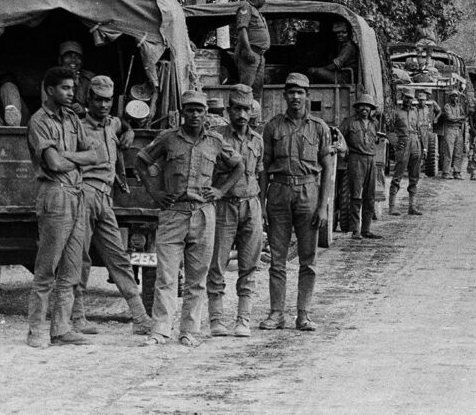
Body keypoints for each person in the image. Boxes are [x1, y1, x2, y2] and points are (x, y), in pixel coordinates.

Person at [136, 90, 241, 347]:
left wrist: (220, 190)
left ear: (206, 114)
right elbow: (141, 160)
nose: (195, 114)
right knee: (167, 276)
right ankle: (160, 330)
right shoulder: (168, 139)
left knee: (197, 278)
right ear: (182, 113)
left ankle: (188, 331)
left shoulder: (215, 141)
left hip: (203, 213)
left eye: (199, 110)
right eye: (190, 110)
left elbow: (238, 166)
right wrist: (154, 192)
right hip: (173, 213)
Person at [25, 66, 103, 348]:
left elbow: (97, 154)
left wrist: (68, 155)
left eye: (73, 88)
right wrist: (77, 158)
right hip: (55, 196)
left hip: (77, 194)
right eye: (66, 88)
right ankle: (36, 330)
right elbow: (53, 165)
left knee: (72, 268)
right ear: (50, 90)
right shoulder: (39, 122)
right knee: (46, 268)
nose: (72, 93)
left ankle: (61, 328)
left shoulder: (72, 118)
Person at [70, 76, 153, 336]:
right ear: (89, 100)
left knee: (118, 257)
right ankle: (77, 317)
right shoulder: (77, 127)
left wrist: (129, 131)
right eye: (98, 99)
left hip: (106, 199)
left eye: (107, 100)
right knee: (79, 259)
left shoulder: (113, 124)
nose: (103, 104)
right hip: (84, 195)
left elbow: (124, 122)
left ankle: (140, 317)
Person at [258, 73, 335, 332]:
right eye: (290, 92)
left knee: (308, 259)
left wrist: (323, 205)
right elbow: (264, 169)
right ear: (284, 96)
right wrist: (261, 204)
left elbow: (327, 170)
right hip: (278, 192)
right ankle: (276, 313)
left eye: (300, 92)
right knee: (277, 259)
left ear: (307, 95)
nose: (295, 96)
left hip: (308, 192)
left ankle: (303, 314)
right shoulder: (273, 127)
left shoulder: (319, 128)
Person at [207, 84, 264, 338]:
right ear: (228, 110)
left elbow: (258, 175)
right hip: (224, 206)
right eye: (237, 109)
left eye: (246, 109)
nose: (242, 114)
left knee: (249, 265)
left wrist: (261, 210)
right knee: (217, 264)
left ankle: (243, 319)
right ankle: (217, 319)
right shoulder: (216, 137)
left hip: (251, 204)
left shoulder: (257, 139)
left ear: (252, 110)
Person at [340, 94, 384, 240]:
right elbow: (339, 137)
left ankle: (366, 229)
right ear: (357, 107)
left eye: (368, 106)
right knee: (356, 196)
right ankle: (355, 230)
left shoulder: (374, 124)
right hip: (356, 159)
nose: (364, 108)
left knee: (370, 196)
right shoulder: (349, 122)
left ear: (371, 109)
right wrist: (344, 151)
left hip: (371, 159)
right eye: (362, 105)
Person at [235, 0, 271, 99]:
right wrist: (248, 50)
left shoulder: (256, 10)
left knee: (257, 91)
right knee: (245, 90)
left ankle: (254, 116)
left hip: (259, 55)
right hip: (251, 54)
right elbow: (242, 30)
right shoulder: (245, 7)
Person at [390, 88, 424, 214]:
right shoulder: (396, 113)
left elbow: (420, 130)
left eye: (410, 98)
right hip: (403, 143)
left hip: (415, 143)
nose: (408, 100)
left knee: (415, 176)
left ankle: (412, 206)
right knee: (397, 176)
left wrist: (423, 147)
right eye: (406, 97)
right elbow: (389, 130)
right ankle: (392, 206)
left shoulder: (416, 112)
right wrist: (395, 142)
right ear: (402, 98)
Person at [57, 41, 96, 117]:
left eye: (77, 56)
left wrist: (84, 109)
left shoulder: (90, 79)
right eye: (68, 56)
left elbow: (100, 107)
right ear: (60, 60)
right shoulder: (52, 79)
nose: (73, 60)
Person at [437, 90, 466, 179]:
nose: (455, 98)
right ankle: (446, 172)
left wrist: (458, 119)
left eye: (456, 96)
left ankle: (457, 172)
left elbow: (464, 117)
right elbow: (450, 118)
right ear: (450, 97)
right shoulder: (447, 106)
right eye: (453, 96)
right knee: (449, 151)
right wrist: (459, 118)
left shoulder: (459, 106)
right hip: (450, 130)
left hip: (458, 130)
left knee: (458, 152)